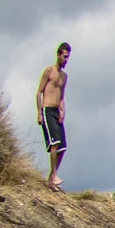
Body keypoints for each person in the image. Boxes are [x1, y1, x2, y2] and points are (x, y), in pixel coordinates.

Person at [35, 42, 70, 190]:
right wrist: (39, 112)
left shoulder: (64, 76)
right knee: (54, 143)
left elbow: (61, 96)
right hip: (47, 109)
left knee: (62, 147)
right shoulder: (49, 71)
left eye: (68, 57)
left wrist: (63, 110)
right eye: (64, 56)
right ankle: (54, 175)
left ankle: (51, 178)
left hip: (56, 111)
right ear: (58, 55)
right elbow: (39, 92)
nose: (66, 60)